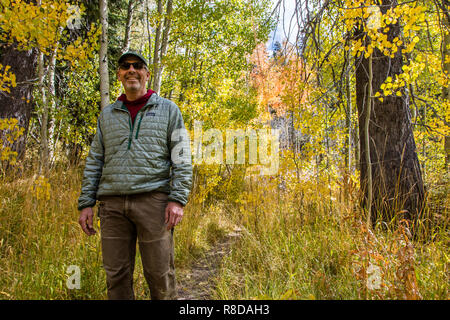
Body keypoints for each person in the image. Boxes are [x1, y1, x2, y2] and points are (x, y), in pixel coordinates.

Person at [77, 51, 192, 300]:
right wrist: (86, 203)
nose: (131, 70)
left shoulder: (169, 110)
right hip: (112, 205)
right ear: (118, 74)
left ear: (146, 74)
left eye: (137, 66)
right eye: (125, 66)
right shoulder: (107, 115)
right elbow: (95, 160)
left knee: (160, 275)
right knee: (116, 276)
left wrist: (177, 199)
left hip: (154, 203)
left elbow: (182, 158)